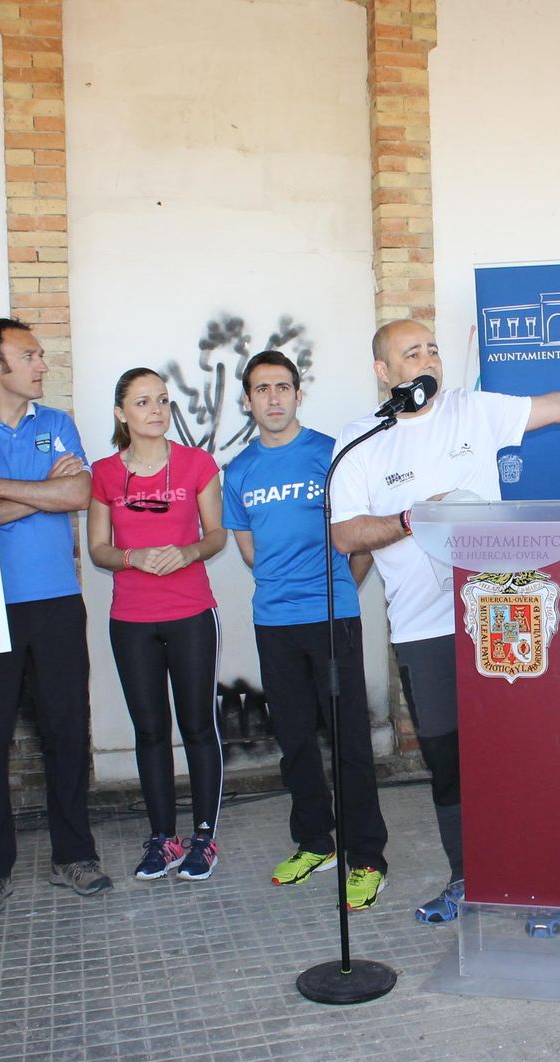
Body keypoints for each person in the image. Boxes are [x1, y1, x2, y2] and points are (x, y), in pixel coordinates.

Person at [329, 318, 560, 923]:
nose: (428, 359)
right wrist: (411, 519)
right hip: (422, 628)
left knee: (515, 750)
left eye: (433, 349)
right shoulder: (361, 440)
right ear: (383, 371)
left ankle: (533, 881)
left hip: (501, 616)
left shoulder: (471, 409)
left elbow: (552, 407)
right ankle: (467, 877)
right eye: (412, 353)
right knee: (448, 761)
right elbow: (346, 533)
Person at [222, 350, 390, 910]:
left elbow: (360, 539)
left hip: (332, 619)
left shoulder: (330, 455)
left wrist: (340, 589)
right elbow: (250, 552)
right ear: (247, 401)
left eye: (282, 387)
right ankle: (316, 843)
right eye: (261, 389)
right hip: (274, 623)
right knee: (294, 740)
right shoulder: (239, 471)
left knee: (349, 741)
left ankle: (366, 858)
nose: (273, 398)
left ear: (298, 394)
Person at [0, 317, 111, 916]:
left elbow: (79, 494)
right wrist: (37, 491)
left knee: (67, 732)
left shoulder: (57, 424)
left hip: (56, 603)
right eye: (29, 356)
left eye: (41, 355)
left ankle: (74, 855)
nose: (42, 365)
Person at [87, 368, 227, 882]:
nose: (156, 410)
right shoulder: (104, 473)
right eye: (143, 401)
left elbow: (216, 535)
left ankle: (204, 838)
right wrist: (132, 557)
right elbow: (97, 549)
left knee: (198, 726)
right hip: (131, 619)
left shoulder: (197, 463)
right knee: (149, 731)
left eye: (163, 400)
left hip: (191, 613)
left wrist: (188, 552)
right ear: (121, 413)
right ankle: (162, 838)